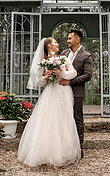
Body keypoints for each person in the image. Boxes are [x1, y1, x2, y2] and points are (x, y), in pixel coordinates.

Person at [17, 37, 81, 167]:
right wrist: (47, 76)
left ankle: (65, 152)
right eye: (55, 42)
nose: (57, 44)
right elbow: (39, 82)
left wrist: (61, 73)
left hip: (64, 91)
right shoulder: (44, 62)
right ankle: (47, 153)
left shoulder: (63, 59)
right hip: (50, 92)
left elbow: (73, 73)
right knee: (49, 120)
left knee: (65, 119)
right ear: (49, 46)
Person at [60, 28, 93, 157]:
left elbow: (88, 75)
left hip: (76, 92)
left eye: (70, 38)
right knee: (63, 119)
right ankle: (64, 147)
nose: (68, 40)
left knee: (77, 119)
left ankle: (78, 149)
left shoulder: (86, 55)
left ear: (77, 39)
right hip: (62, 92)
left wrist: (70, 82)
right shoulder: (63, 53)